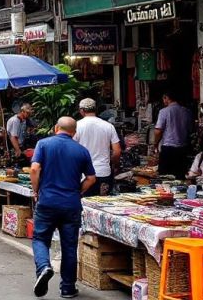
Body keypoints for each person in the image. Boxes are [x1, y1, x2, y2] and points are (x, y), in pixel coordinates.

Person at [30, 116, 96, 299]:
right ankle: (67, 288)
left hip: (47, 201)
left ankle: (44, 267)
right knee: (69, 245)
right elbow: (91, 178)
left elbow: (35, 169)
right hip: (71, 204)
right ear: (74, 132)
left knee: (40, 238)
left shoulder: (43, 144)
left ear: (56, 127)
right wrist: (77, 191)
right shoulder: (82, 151)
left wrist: (36, 190)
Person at [74, 98, 120, 196]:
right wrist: (113, 165)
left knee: (84, 205)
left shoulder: (76, 126)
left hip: (83, 175)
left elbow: (70, 150)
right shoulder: (108, 126)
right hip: (103, 172)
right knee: (103, 204)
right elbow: (117, 151)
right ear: (96, 109)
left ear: (81, 111)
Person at [154, 92, 194, 178]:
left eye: (163, 98)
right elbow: (190, 130)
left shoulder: (164, 111)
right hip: (183, 150)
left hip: (168, 150)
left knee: (165, 178)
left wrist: (155, 144)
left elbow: (158, 131)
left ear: (166, 98)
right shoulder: (187, 111)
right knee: (180, 177)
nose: (163, 101)